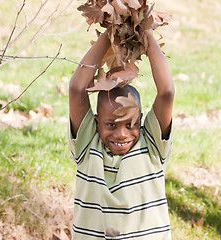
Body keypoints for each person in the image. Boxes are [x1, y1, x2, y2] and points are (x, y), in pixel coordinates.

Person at [68, 29, 175, 240]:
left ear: (142, 120)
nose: (121, 134)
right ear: (96, 123)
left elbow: (167, 92)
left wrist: (146, 33)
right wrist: (109, 33)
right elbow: (76, 89)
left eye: (130, 124)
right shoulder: (88, 146)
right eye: (111, 125)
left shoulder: (153, 148)